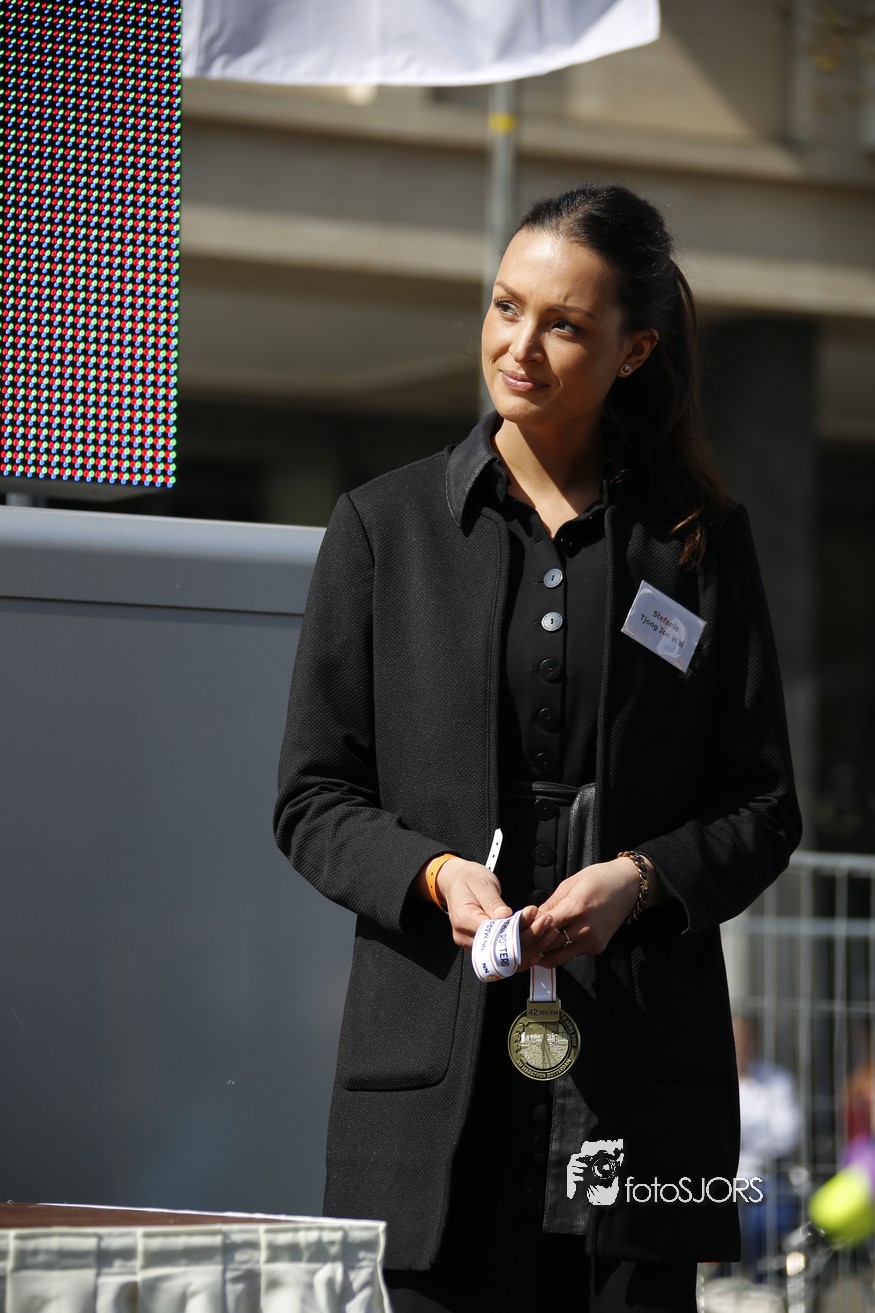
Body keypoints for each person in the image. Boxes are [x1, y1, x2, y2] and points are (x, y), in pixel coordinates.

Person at [274, 182, 801, 1313]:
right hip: (427, 1082)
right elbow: (313, 797)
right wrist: (431, 874)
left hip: (638, 1082)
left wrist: (638, 881)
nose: (518, 346)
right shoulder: (381, 527)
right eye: (505, 305)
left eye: (563, 324)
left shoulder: (699, 543)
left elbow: (761, 804)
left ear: (632, 350)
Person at [732, 1015, 802, 1279]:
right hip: (719, 1179)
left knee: (772, 1217)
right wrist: (758, 1133)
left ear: (755, 1041)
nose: (739, 1046)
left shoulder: (777, 1080)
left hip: (764, 1176)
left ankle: (764, 1282)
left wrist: (740, 1137)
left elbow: (788, 1135)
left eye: (744, 1039)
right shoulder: (710, 1084)